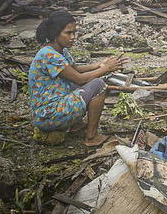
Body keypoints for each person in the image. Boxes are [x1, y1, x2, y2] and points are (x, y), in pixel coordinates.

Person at [29, 10, 127, 146]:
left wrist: (99, 65)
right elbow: (79, 79)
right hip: (47, 115)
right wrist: (105, 69)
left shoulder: (60, 50)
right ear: (54, 34)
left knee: (81, 85)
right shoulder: (49, 55)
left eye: (74, 32)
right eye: (68, 33)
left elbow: (74, 70)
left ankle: (75, 125)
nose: (73, 37)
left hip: (49, 110)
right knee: (98, 85)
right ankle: (91, 137)